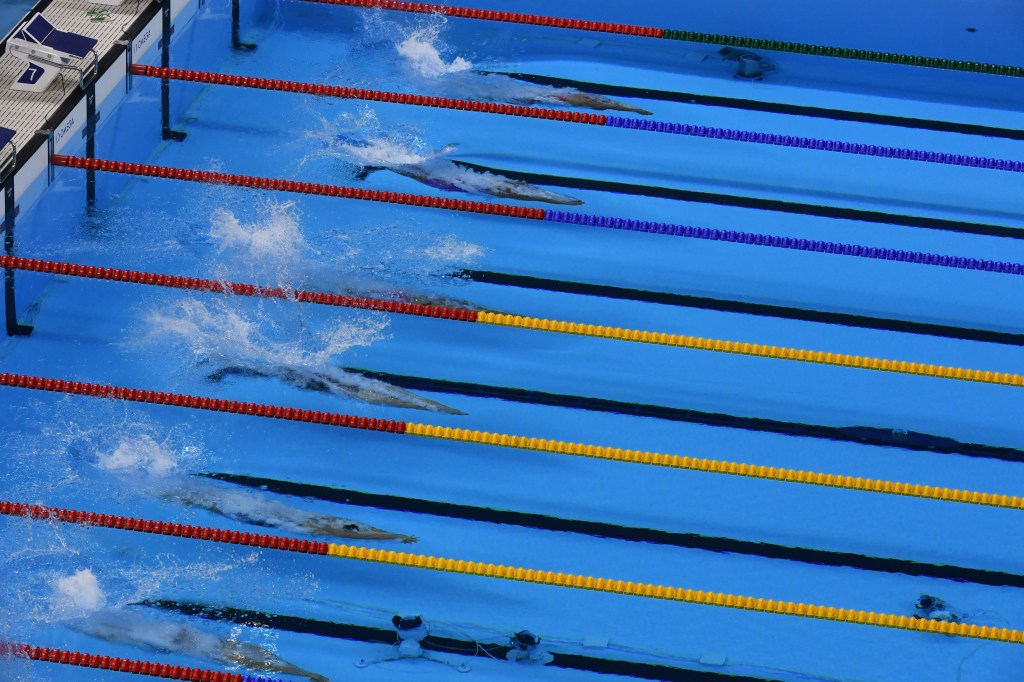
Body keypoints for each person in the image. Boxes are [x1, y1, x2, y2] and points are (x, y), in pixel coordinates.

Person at [73, 608, 329, 682]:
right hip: (188, 641)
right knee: (236, 654)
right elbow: (257, 657)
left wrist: (307, 674)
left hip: (184, 639)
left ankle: (304, 674)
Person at [159, 477, 418, 543]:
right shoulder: (322, 525)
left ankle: (171, 490)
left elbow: (358, 529)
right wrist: (393, 536)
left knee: (213, 501)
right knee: (212, 504)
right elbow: (358, 534)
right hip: (255, 516)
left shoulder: (320, 519)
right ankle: (171, 492)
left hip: (260, 510)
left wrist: (393, 534)